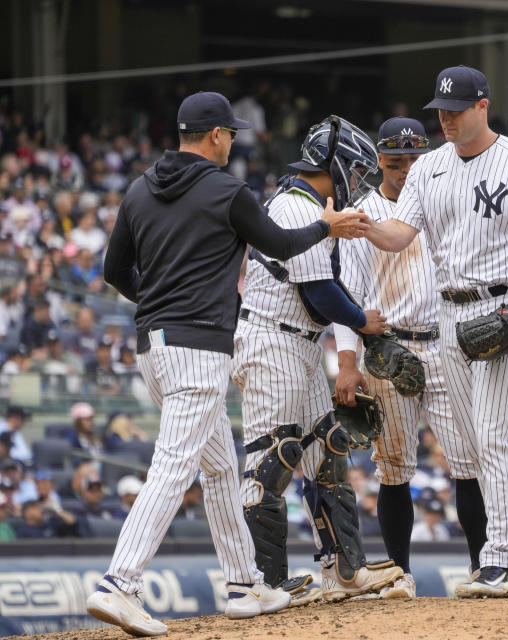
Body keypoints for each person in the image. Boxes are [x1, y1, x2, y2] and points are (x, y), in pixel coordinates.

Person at [87, 91, 369, 635]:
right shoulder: (226, 189)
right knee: (174, 468)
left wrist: (157, 302)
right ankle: (119, 584)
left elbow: (114, 269)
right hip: (198, 350)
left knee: (219, 467)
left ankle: (245, 584)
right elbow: (281, 244)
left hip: (155, 346)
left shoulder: (140, 189)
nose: (233, 141)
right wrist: (326, 229)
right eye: (231, 134)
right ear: (216, 135)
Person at [362, 66, 508, 597]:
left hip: (504, 309)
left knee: (495, 435)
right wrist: (362, 226)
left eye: (456, 109)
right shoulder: (430, 169)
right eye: (441, 110)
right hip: (450, 314)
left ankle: (498, 555)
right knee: (473, 442)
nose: (445, 118)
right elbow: (400, 234)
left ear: (483, 106)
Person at [232, 116, 401, 607]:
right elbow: (320, 292)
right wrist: (362, 322)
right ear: (333, 165)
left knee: (326, 448)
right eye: (353, 167)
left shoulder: (310, 205)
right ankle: (262, 582)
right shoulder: (292, 205)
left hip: (298, 343)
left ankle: (343, 570)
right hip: (271, 341)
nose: (359, 178)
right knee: (273, 457)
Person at [333, 116, 454, 599]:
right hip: (390, 347)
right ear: (378, 160)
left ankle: (486, 564)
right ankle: (400, 573)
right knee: (394, 467)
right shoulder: (363, 211)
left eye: (413, 159)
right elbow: (348, 294)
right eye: (395, 160)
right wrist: (347, 361)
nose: (405, 169)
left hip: (447, 343)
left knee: (469, 460)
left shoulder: (442, 201)